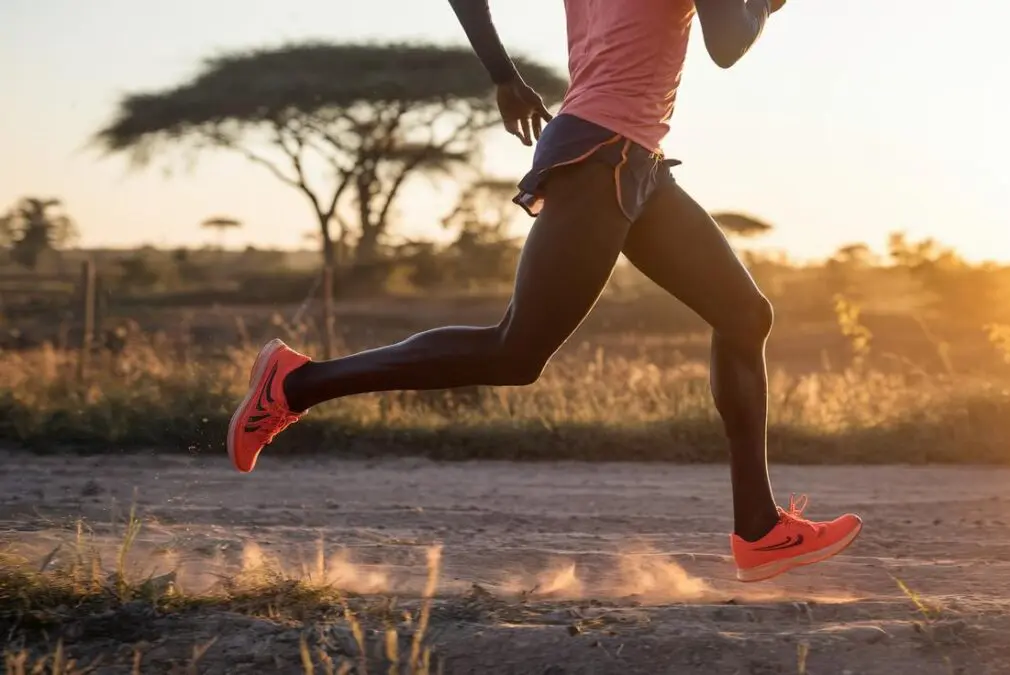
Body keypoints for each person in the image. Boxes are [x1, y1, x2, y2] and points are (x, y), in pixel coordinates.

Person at [227, 0, 862, 582]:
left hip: (632, 157)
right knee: (516, 352)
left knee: (744, 315)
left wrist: (504, 76)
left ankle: (759, 529)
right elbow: (729, 41)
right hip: (603, 155)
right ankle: (295, 385)